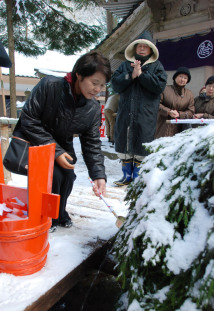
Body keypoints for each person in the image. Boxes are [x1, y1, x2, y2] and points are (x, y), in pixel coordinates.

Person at [11, 52, 111, 232]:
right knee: (53, 175)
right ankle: (45, 217)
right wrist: (54, 151)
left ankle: (57, 212)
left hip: (60, 145)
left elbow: (92, 143)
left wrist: (98, 175)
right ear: (79, 74)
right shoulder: (50, 86)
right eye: (94, 83)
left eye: (102, 85)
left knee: (68, 175)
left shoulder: (93, 108)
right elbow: (29, 119)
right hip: (33, 139)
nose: (98, 89)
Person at [111, 31, 167, 186]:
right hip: (126, 113)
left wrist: (142, 75)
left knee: (142, 144)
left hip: (145, 114)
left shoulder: (157, 66)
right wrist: (130, 76)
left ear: (151, 50)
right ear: (135, 49)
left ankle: (137, 178)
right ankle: (126, 176)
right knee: (125, 143)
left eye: (145, 47)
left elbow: (159, 86)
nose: (142, 49)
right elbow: (115, 84)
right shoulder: (124, 65)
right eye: (139, 46)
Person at [155, 67, 195, 139]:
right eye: (180, 76)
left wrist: (180, 114)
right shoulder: (165, 89)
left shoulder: (189, 94)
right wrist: (168, 112)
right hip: (163, 126)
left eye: (185, 78)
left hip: (179, 130)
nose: (182, 79)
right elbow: (157, 104)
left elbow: (191, 111)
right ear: (175, 77)